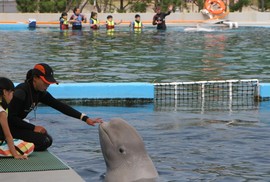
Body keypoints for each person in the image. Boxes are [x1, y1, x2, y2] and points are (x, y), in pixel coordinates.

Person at [8, 63, 103, 151]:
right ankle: (8, 146)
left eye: (49, 82)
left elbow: (60, 106)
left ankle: (13, 143)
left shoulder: (39, 93)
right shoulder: (21, 93)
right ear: (35, 78)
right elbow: (10, 118)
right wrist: (33, 128)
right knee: (44, 141)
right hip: (5, 127)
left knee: (46, 138)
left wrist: (85, 118)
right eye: (45, 82)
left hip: (14, 125)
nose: (48, 85)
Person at [0, 77, 28, 159]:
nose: (12, 96)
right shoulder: (2, 112)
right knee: (29, 146)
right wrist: (15, 155)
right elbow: (8, 136)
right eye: (12, 93)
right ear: (5, 92)